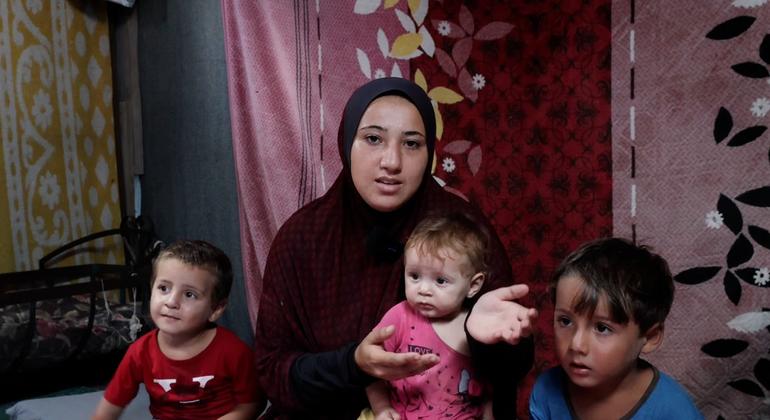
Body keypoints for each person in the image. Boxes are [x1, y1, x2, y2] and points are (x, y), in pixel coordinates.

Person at [254, 77, 536, 419]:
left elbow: (509, 371)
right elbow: (272, 370)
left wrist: (485, 343)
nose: (391, 161)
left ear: (429, 152)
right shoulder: (303, 237)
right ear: (347, 144)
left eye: (412, 144)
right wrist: (353, 364)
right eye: (373, 139)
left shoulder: (463, 231)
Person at [529, 237, 703, 419]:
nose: (576, 345)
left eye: (602, 328)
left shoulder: (674, 411)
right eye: (565, 321)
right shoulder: (547, 391)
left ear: (650, 337)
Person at [92, 240, 265, 420]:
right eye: (164, 288)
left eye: (189, 294)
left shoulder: (234, 351)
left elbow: (253, 403)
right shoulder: (140, 352)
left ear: (215, 309)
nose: (172, 302)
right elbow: (112, 403)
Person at [365, 212, 497, 420]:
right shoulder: (401, 316)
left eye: (441, 281)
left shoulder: (478, 328)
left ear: (473, 285)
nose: (423, 289)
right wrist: (382, 408)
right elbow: (370, 368)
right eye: (415, 276)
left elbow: (491, 389)